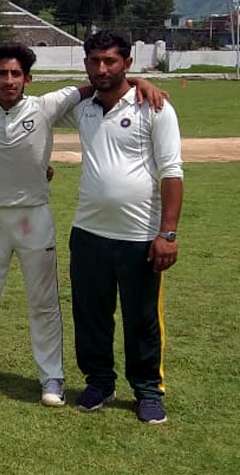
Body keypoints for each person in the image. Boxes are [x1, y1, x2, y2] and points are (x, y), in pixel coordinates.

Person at [0, 42, 168, 405]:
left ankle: (51, 376)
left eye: (16, 74)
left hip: (34, 216)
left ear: (28, 78)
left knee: (44, 301)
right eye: (2, 74)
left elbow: (99, 83)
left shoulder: (45, 106)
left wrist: (137, 80)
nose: (10, 80)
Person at [67, 31, 182, 424]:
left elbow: (172, 172)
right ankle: (99, 381)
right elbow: (22, 103)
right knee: (91, 315)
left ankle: (148, 390)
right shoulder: (82, 108)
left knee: (142, 319)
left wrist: (167, 233)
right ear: (86, 64)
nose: (102, 68)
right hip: (88, 233)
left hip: (139, 237)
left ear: (127, 64)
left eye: (111, 61)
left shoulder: (155, 107)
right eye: (95, 61)